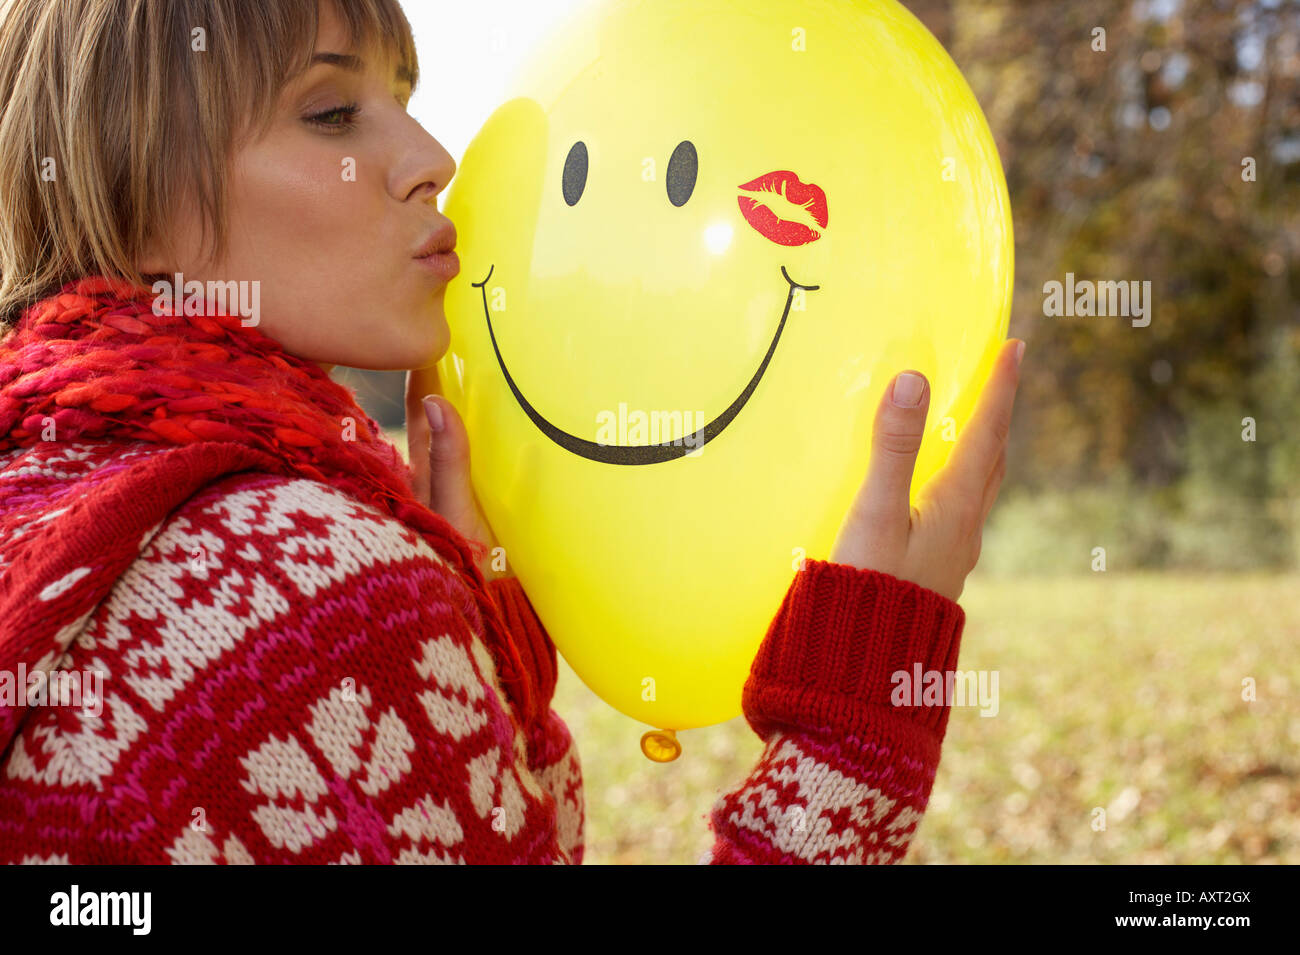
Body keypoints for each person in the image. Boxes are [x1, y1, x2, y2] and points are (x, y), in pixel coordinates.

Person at [0, 0, 1021, 864]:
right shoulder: (295, 591)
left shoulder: (46, 487)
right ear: (132, 190)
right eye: (331, 112)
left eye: (401, 97)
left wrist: (483, 684)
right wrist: (855, 733)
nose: (431, 160)